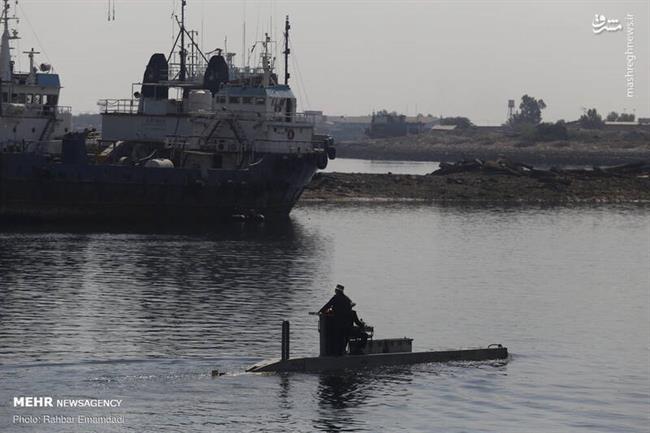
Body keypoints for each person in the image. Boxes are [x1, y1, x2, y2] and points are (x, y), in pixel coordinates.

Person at [319, 284, 353, 356]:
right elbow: (351, 307)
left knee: (336, 338)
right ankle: (342, 352)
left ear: (336, 291)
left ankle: (335, 354)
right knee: (342, 338)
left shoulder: (336, 298)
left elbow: (327, 306)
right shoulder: (347, 299)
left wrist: (320, 311)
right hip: (346, 323)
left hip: (337, 322)